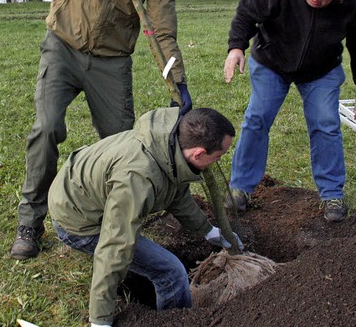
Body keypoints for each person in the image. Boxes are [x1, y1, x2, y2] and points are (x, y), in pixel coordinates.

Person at [11, 0, 193, 259]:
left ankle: (117, 221)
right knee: (46, 129)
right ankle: (30, 221)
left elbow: (162, 30)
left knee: (126, 144)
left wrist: (178, 83)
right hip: (63, 45)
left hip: (111, 62)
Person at [223, 0, 356, 222]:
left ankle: (332, 193)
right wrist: (236, 47)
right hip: (271, 61)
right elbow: (247, 11)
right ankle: (240, 188)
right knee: (257, 118)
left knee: (325, 123)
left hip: (321, 69)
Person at [48, 107, 242, 326]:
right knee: (171, 273)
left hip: (80, 188)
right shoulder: (137, 179)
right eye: (218, 156)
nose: (218, 162)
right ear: (198, 153)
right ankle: (177, 321)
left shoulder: (167, 143)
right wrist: (100, 320)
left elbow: (175, 195)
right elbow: (115, 246)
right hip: (78, 220)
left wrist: (208, 231)